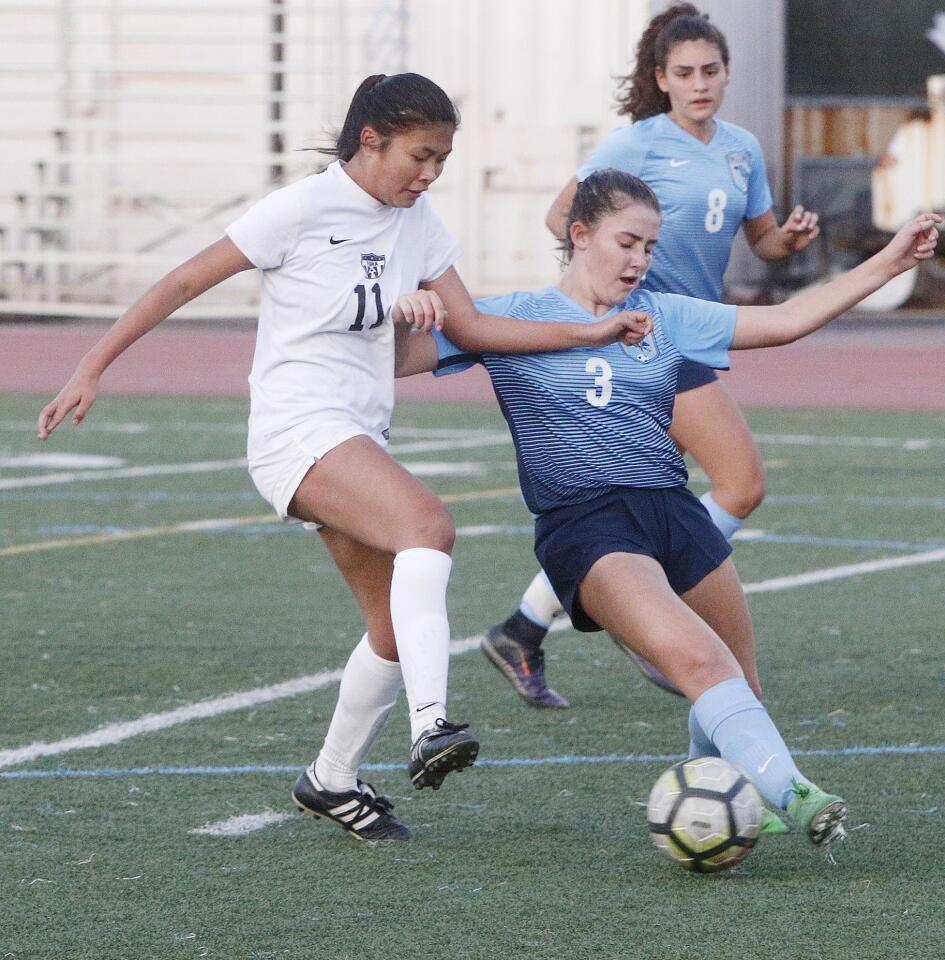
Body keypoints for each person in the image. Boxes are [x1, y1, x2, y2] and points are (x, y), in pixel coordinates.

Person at [35, 74, 651, 843]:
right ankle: (430, 723)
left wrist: (584, 332)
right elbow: (185, 279)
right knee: (428, 523)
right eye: (419, 156)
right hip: (296, 430)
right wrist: (92, 365)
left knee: (392, 627)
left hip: (357, 435)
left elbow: (475, 327)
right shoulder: (303, 208)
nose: (429, 174)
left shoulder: (416, 220)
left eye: (442, 160)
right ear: (371, 141)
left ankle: (329, 779)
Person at [406, 169, 941, 848]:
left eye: (650, 247)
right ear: (578, 234)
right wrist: (402, 307)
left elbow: (783, 321)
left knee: (738, 686)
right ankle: (796, 795)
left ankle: (706, 801)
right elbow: (397, 359)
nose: (639, 260)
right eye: (626, 242)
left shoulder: (665, 314)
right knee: (702, 664)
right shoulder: (507, 319)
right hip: (587, 525)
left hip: (674, 513)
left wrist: (890, 260)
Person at [482, 3, 822, 708]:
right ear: (660, 79)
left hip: (684, 333)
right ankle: (645, 614)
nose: (699, 83)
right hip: (645, 340)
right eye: (683, 72)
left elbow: (760, 244)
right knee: (738, 481)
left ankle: (530, 624)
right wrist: (605, 304)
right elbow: (563, 218)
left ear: (727, 73)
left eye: (710, 70)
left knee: (671, 494)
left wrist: (787, 240)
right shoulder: (635, 146)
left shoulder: (741, 149)